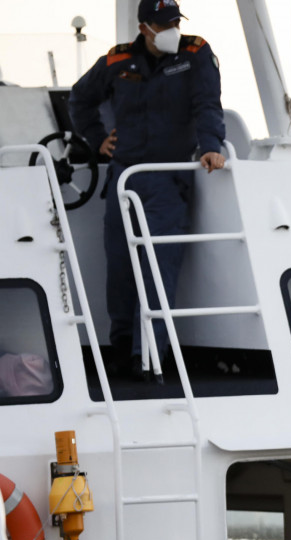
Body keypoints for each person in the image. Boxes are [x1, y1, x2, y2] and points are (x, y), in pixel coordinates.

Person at [68, 0, 226, 380]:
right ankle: (121, 350)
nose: (172, 27)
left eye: (175, 20)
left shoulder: (196, 52)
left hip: (167, 180)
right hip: (124, 177)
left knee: (158, 269)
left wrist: (210, 146)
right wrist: (97, 140)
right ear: (145, 29)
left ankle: (149, 356)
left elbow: (207, 103)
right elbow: (80, 99)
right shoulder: (117, 61)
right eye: (163, 23)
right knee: (120, 269)